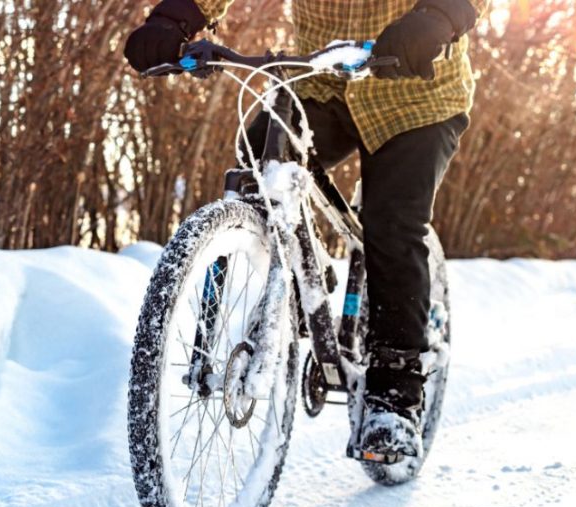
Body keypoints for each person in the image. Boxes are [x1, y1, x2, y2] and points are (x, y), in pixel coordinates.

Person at [123, 0, 487, 461]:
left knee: (391, 222)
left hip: (414, 89)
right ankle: (294, 285)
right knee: (256, 161)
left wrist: (439, 16)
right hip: (319, 86)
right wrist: (174, 20)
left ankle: (394, 396)